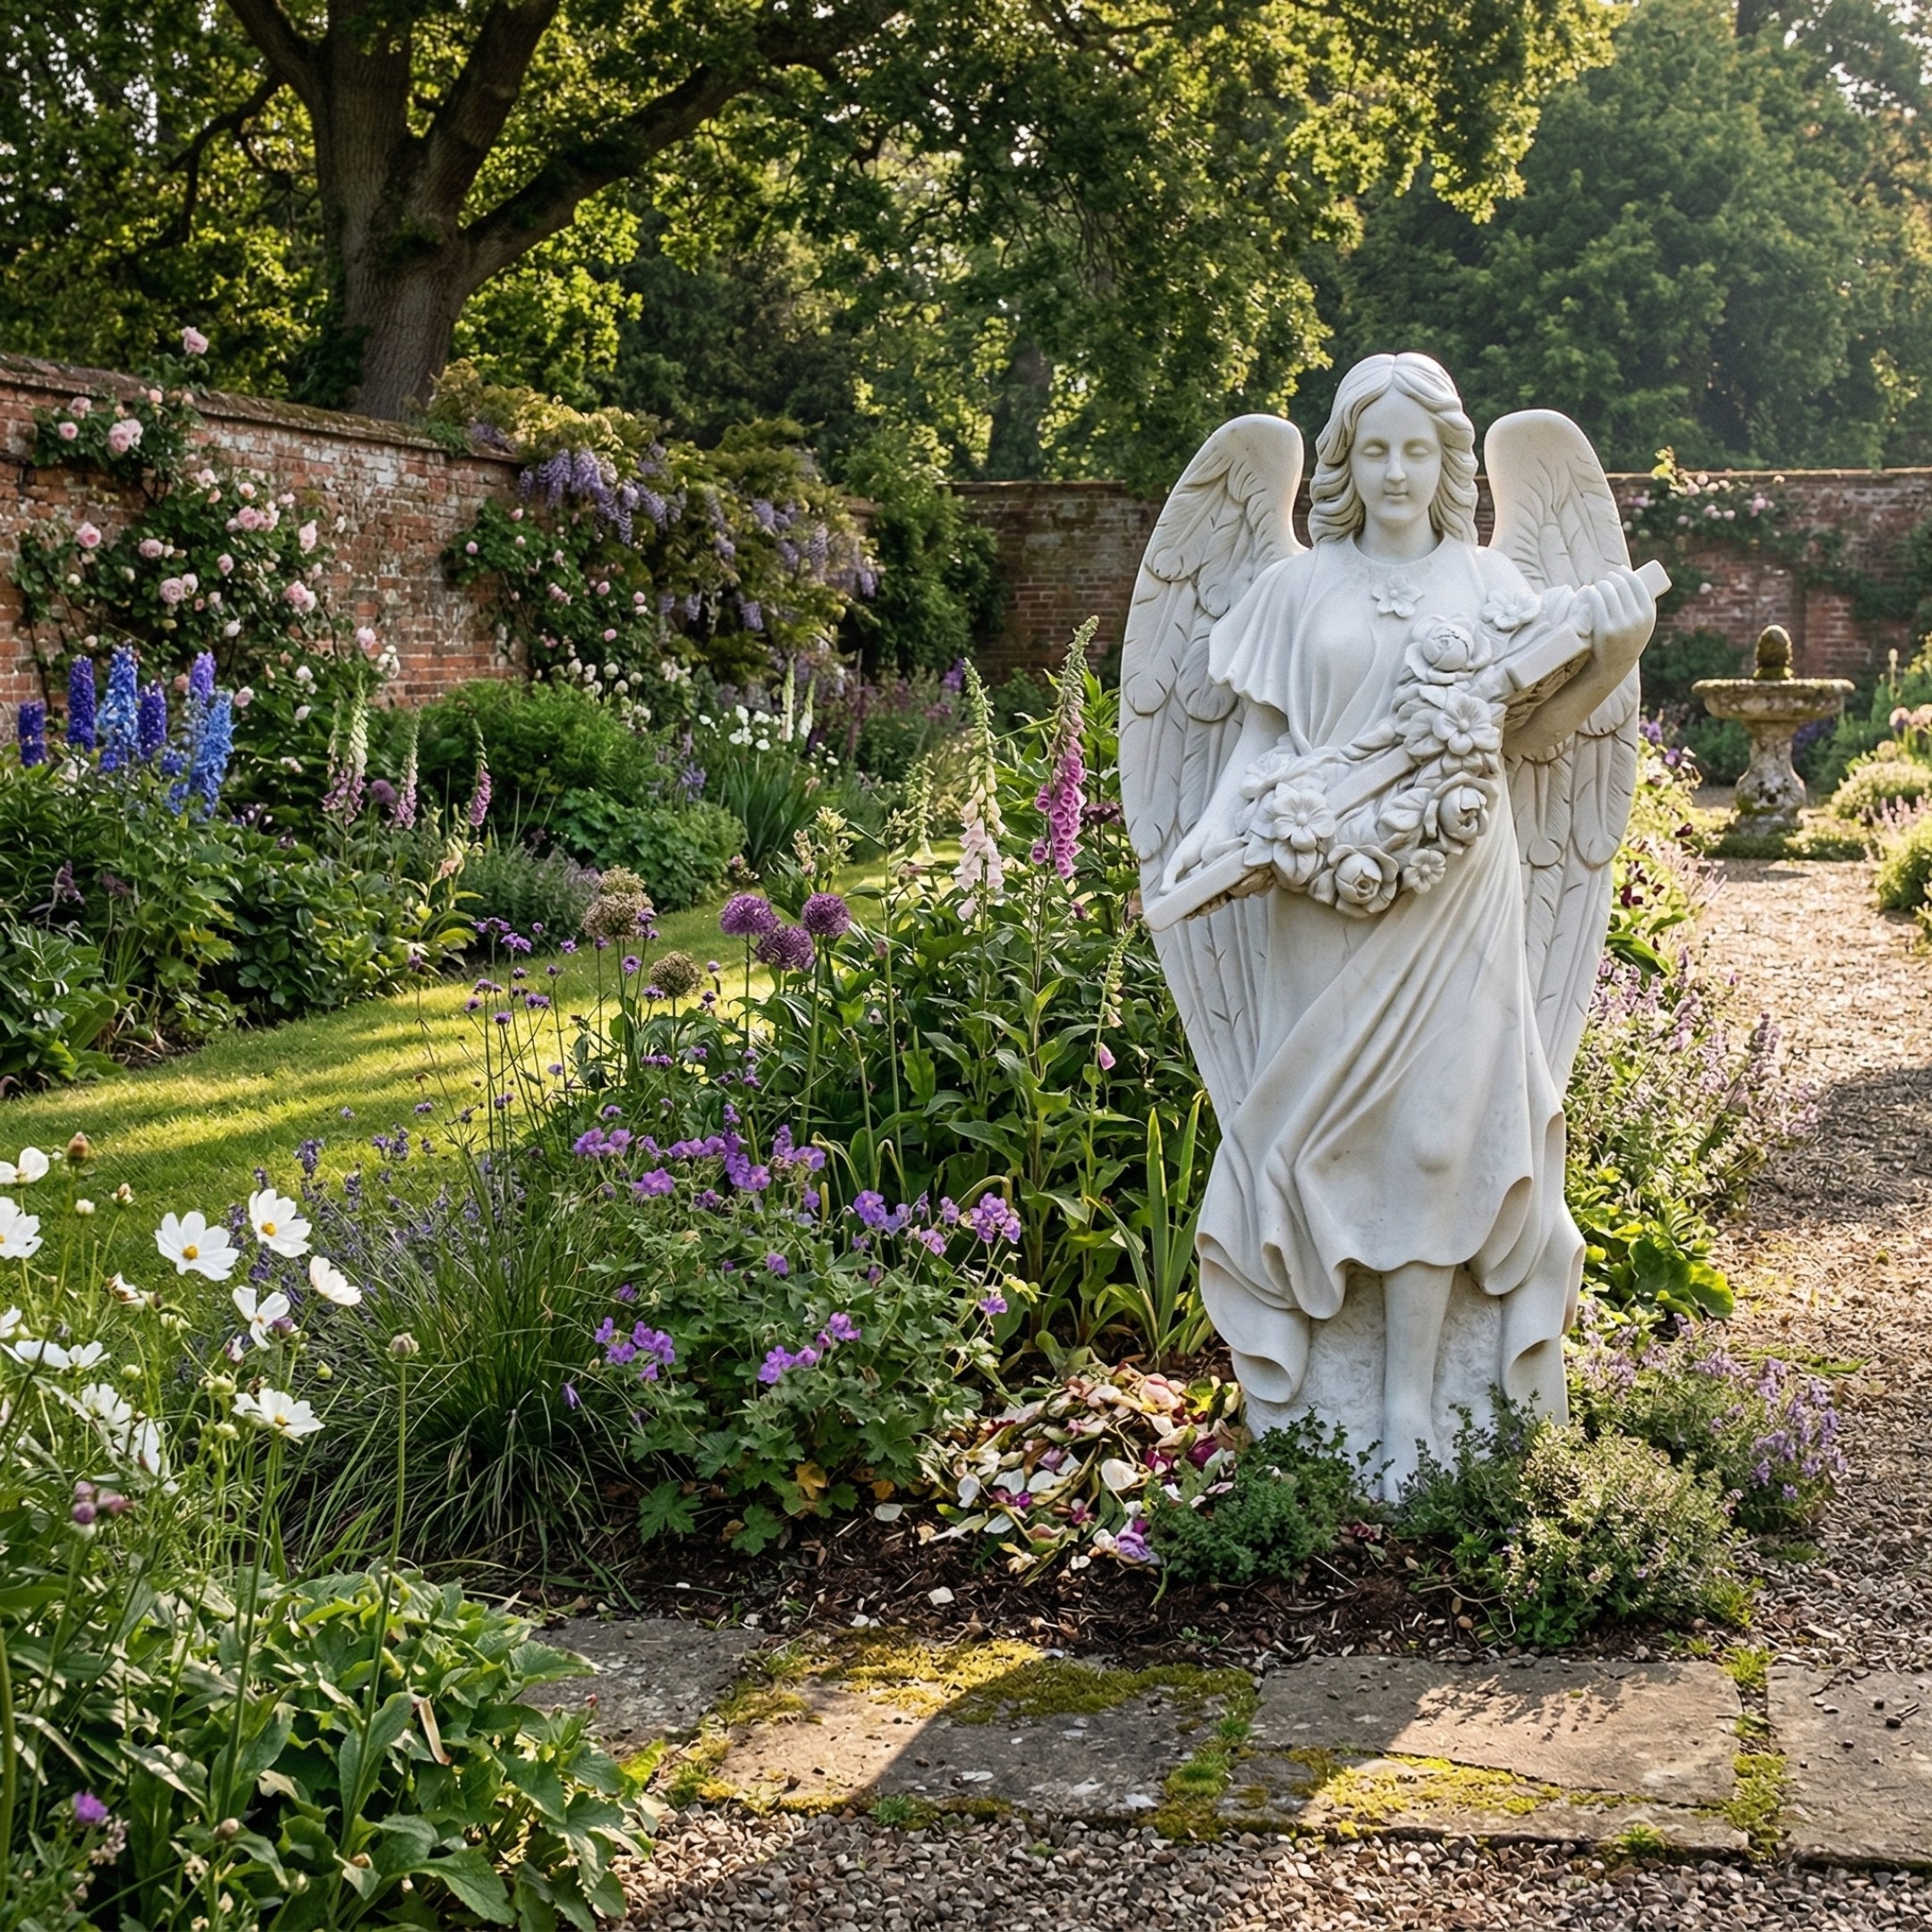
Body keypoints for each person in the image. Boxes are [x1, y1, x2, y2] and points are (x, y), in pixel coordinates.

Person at [1160, 352, 1655, 1497]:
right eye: (1373, 449)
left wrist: (1613, 653)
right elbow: (1259, 753)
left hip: (1458, 894)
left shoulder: (1489, 589)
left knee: (1442, 1141)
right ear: (1343, 459)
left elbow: (1530, 733)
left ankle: (1410, 1411)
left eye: (1416, 451)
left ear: (1447, 462)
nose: (1394, 472)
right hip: (1321, 894)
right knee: (1335, 1144)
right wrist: (1210, 837)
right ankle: (1327, 1412)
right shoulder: (1294, 590)